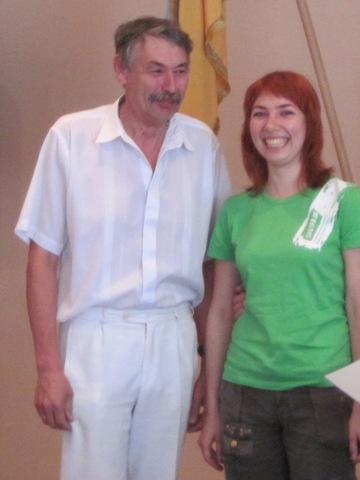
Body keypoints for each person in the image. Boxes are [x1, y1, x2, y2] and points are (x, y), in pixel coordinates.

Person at [15, 16, 231, 480]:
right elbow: (43, 260)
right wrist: (48, 367)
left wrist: (205, 368)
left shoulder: (203, 146)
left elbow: (213, 264)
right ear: (121, 70)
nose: (171, 86)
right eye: (156, 70)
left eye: (180, 71)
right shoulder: (71, 138)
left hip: (173, 339)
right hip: (98, 338)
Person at [198, 70, 360, 479]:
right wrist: (213, 408)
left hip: (323, 393)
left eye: (286, 111)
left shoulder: (346, 202)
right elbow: (220, 311)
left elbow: (359, 305)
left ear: (309, 123)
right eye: (259, 113)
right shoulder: (236, 211)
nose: (271, 125)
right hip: (245, 393)